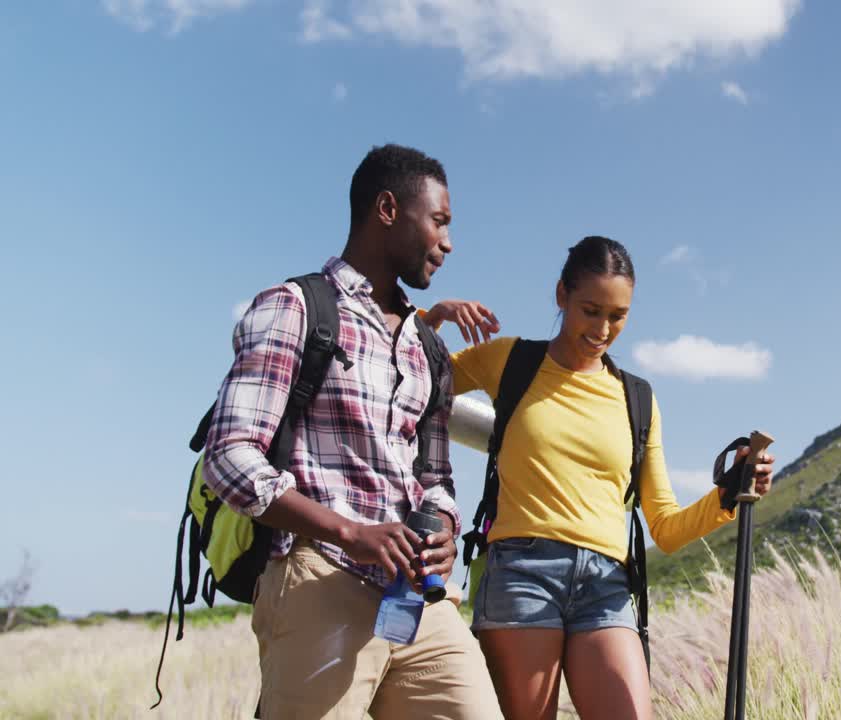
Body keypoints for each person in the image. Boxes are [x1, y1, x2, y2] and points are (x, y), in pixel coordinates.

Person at [202, 144, 502, 719]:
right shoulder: (294, 308)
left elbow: (435, 475)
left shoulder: (429, 347)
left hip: (416, 600)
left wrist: (439, 528)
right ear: (388, 209)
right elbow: (230, 456)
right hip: (317, 574)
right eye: (439, 221)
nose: (448, 242)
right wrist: (349, 532)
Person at [424, 236, 776, 720]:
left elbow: (666, 528)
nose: (604, 328)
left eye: (618, 315)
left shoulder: (638, 399)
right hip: (523, 573)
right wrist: (430, 319)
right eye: (591, 310)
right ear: (561, 294)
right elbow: (404, 375)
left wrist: (729, 494)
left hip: (607, 585)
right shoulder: (510, 362)